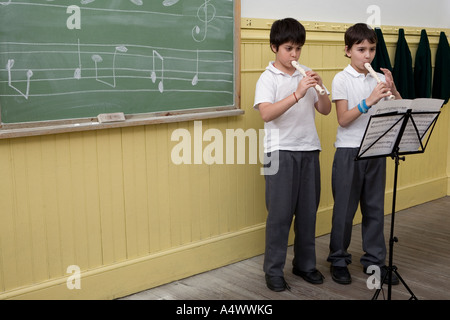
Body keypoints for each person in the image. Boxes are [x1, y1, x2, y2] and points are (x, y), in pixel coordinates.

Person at [254, 17, 331, 292]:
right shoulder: (267, 78)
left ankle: (305, 265)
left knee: (308, 213)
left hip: (309, 148)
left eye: (298, 48)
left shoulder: (305, 72)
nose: (294, 55)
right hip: (280, 153)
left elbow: (325, 110)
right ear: (274, 47)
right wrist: (298, 93)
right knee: (279, 216)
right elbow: (266, 113)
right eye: (289, 48)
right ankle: (273, 270)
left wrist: (320, 89)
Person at [328, 23, 402, 285]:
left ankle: (375, 261)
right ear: (348, 51)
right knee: (345, 211)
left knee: (374, 209)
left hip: (377, 149)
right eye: (361, 50)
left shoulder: (377, 78)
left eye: (371, 49)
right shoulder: (341, 79)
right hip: (349, 150)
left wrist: (391, 89)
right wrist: (369, 100)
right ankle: (338, 259)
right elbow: (344, 119)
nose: (367, 55)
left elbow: (398, 108)